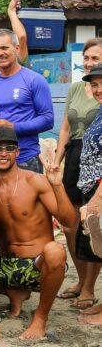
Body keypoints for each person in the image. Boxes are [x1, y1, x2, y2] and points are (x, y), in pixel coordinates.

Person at [0, 127, 76, 340]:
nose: (3, 153)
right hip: (8, 268)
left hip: (36, 267)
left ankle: (40, 318)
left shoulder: (35, 181)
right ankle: (15, 291)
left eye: (9, 148)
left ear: (17, 152)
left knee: (55, 251)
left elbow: (69, 223)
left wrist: (58, 186)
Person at [54, 39, 102, 307]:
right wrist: (58, 162)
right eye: (86, 57)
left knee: (91, 224)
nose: (89, 62)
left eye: (95, 57)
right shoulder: (75, 88)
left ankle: (90, 287)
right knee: (70, 223)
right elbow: (64, 127)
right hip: (75, 156)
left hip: (96, 158)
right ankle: (81, 278)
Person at [0, 29, 54, 173]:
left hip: (26, 158)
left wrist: (14, 127)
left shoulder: (34, 80)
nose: (0, 53)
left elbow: (48, 120)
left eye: (5, 47)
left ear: (17, 48)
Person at [75, 62, 102, 326]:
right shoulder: (100, 112)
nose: (98, 89)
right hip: (91, 186)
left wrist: (97, 199)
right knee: (99, 249)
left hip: (100, 190)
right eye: (94, 84)